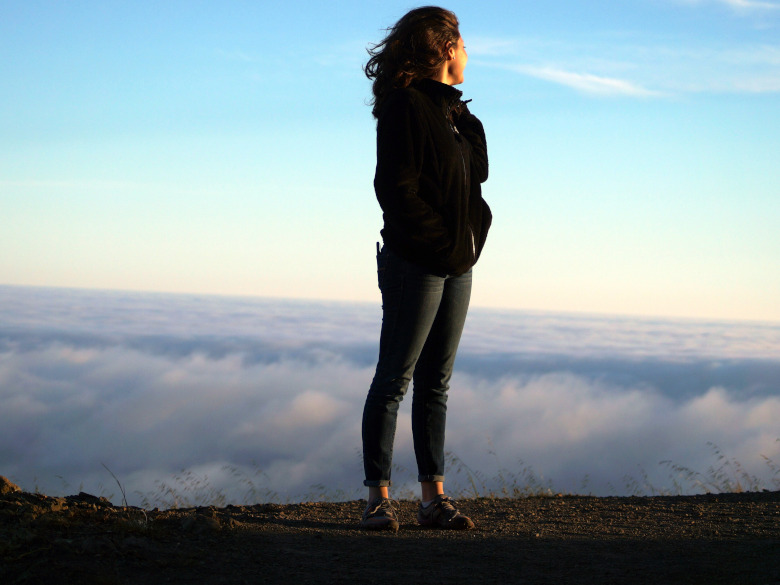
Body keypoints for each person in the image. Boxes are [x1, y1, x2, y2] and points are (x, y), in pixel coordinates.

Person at [360, 6, 492, 531]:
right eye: (462, 44)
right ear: (445, 49)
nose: (468, 54)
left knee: (435, 382)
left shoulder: (451, 113)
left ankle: (433, 499)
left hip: (456, 264)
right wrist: (442, 245)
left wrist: (472, 239)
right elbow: (395, 192)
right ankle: (377, 500)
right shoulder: (405, 107)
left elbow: (475, 185)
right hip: (416, 264)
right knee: (395, 378)